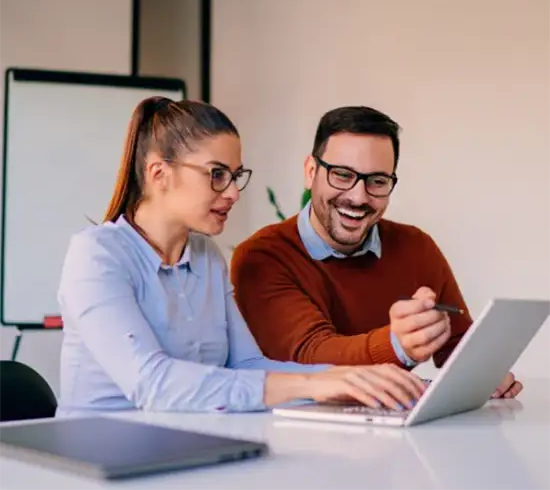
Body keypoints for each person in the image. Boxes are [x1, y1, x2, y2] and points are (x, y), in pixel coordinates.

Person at [55, 98, 427, 418]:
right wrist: (316, 383)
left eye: (236, 176)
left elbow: (247, 365)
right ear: (159, 174)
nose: (233, 193)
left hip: (185, 446)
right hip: (98, 460)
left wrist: (354, 379)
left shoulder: (205, 257)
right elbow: (152, 383)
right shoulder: (97, 256)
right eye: (217, 175)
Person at [231, 106, 522, 399]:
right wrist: (397, 345)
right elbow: (310, 355)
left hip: (396, 432)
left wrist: (483, 372)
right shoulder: (262, 258)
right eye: (342, 175)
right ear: (311, 172)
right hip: (298, 431)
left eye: (377, 181)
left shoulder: (416, 246)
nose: (359, 197)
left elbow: (456, 343)